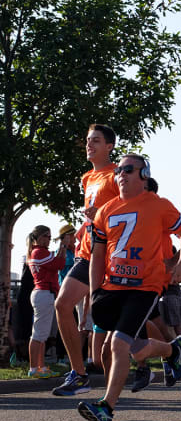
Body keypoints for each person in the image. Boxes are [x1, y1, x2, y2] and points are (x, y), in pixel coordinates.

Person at [77, 153, 181, 421]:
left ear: (144, 175)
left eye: (129, 169)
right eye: (118, 170)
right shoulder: (106, 211)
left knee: (117, 345)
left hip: (145, 287)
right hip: (112, 287)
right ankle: (173, 350)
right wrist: (94, 293)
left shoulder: (159, 205)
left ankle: (106, 408)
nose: (121, 174)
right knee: (138, 350)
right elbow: (97, 256)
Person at [53, 124, 120, 397]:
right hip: (87, 253)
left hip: (112, 256)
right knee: (62, 304)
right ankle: (79, 374)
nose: (89, 145)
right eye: (88, 141)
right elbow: (91, 216)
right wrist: (82, 230)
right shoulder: (87, 178)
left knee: (126, 323)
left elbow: (131, 210)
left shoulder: (117, 174)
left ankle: (169, 351)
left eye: (96, 141)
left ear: (110, 147)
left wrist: (101, 212)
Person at [26, 226, 66, 378]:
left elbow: (57, 264)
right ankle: (34, 368)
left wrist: (61, 248)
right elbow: (59, 264)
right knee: (38, 334)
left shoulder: (36, 252)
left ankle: (41, 366)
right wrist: (62, 247)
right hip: (43, 293)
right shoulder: (39, 252)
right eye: (46, 236)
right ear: (38, 237)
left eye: (50, 236)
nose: (49, 239)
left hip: (44, 293)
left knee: (42, 334)